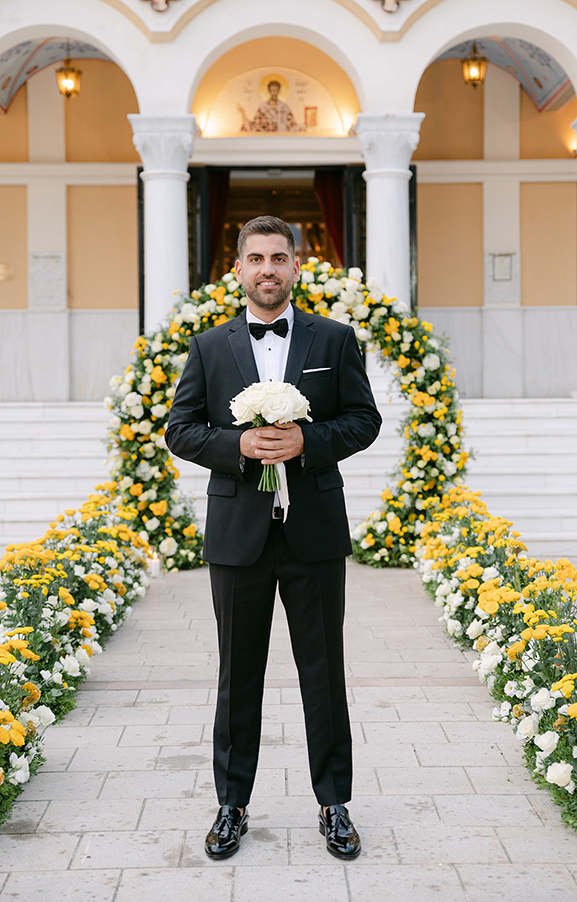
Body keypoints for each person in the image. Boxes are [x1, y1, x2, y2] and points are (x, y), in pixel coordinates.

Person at [165, 215, 381, 861]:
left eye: (279, 257)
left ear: (296, 266)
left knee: (324, 673)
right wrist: (239, 445)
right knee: (239, 676)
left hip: (312, 532)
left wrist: (307, 442)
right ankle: (231, 806)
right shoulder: (208, 347)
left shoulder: (335, 339)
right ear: (237, 269)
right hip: (238, 539)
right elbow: (180, 429)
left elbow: (364, 420)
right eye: (255, 258)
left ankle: (334, 804)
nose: (267, 269)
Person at [239, 80, 303, 132]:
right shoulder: (263, 107)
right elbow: (256, 125)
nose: (274, 93)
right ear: (269, 91)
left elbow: (291, 124)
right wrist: (243, 115)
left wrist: (302, 127)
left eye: (276, 90)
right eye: (272, 91)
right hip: (267, 139)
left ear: (279, 91)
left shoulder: (284, 107)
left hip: (282, 139)